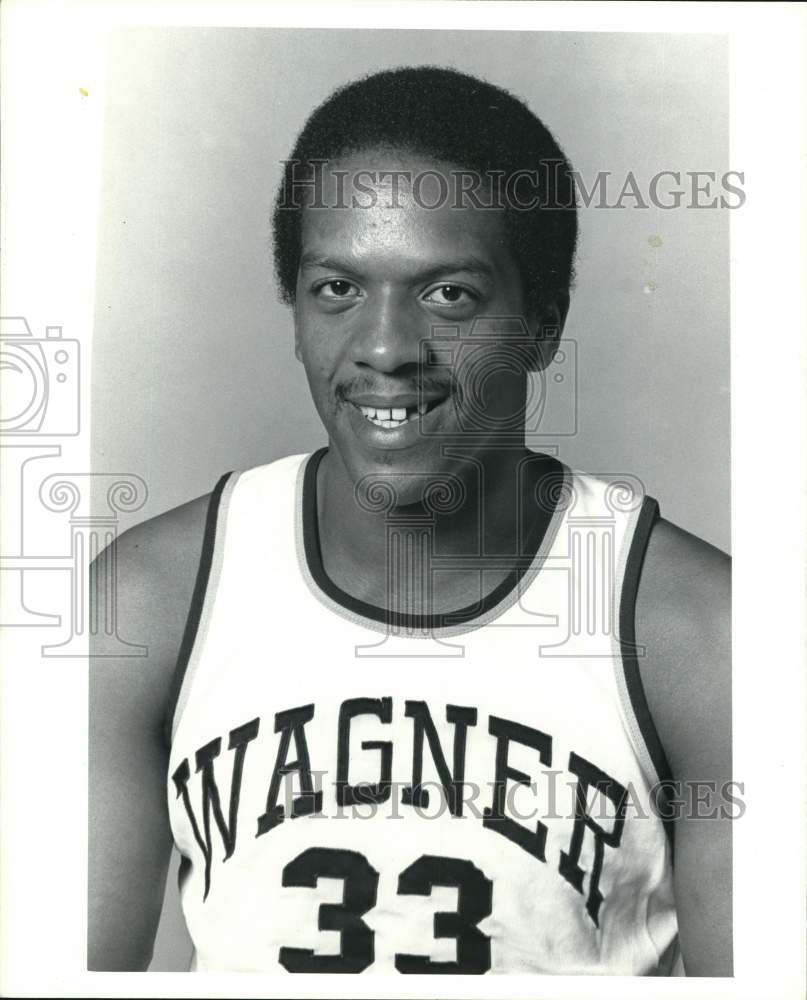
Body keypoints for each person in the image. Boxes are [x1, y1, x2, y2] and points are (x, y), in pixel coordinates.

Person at [88, 66, 731, 975]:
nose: (386, 349)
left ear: (542, 326)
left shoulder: (705, 637)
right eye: (338, 289)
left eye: (449, 295)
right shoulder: (145, 601)